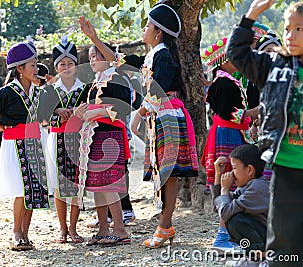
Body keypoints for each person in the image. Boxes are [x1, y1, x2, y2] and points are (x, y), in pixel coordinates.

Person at [79, 1, 199, 249]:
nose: (143, 29)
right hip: (160, 118)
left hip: (168, 116)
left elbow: (159, 92)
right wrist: (95, 37)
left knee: (169, 173)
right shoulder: (152, 55)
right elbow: (118, 60)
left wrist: (138, 113)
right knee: (164, 172)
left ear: (158, 32)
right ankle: (165, 226)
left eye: (147, 25)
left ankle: (165, 225)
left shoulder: (164, 56)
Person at [227, 1, 303, 266]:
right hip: (286, 168)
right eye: (287, 28)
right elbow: (237, 54)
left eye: (299, 29)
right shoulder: (273, 65)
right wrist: (251, 16)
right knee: (283, 242)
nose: (291, 35)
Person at [0, 39, 49, 251]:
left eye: (36, 64)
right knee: (22, 189)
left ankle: (26, 233)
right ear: (19, 68)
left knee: (32, 190)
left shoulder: (38, 92)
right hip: (15, 144)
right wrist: (2, 128)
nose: (36, 69)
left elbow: (46, 116)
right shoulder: (6, 93)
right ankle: (16, 233)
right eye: (32, 65)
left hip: (35, 142)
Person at [201, 37, 259, 254]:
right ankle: (223, 235)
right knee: (230, 180)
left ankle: (229, 234)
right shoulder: (224, 83)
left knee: (230, 181)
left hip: (227, 134)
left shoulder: (224, 80)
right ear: (224, 59)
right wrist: (255, 112)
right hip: (227, 135)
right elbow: (230, 113)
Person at [73, 41, 132, 246]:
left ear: (107, 56)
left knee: (109, 182)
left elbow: (124, 108)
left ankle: (120, 229)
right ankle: (103, 228)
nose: (91, 60)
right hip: (95, 135)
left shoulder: (117, 78)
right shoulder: (96, 82)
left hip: (110, 135)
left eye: (95, 55)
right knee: (97, 184)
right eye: (89, 57)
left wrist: (97, 112)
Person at [39, 36, 86, 244]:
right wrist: (56, 111)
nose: (66, 67)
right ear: (56, 67)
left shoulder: (84, 87)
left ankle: (74, 228)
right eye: (62, 64)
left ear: (76, 65)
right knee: (59, 185)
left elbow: (89, 110)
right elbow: (41, 114)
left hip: (78, 139)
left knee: (75, 184)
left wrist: (77, 112)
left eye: (70, 63)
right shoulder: (49, 89)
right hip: (56, 138)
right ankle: (62, 229)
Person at [213, 144, 269, 267]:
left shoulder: (256, 188)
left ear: (249, 170)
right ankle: (256, 257)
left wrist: (224, 189)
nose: (232, 173)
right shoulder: (250, 186)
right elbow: (219, 206)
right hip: (268, 236)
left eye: (234, 168)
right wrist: (218, 175)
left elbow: (225, 213)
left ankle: (261, 258)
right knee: (233, 217)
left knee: (235, 220)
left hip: (277, 240)